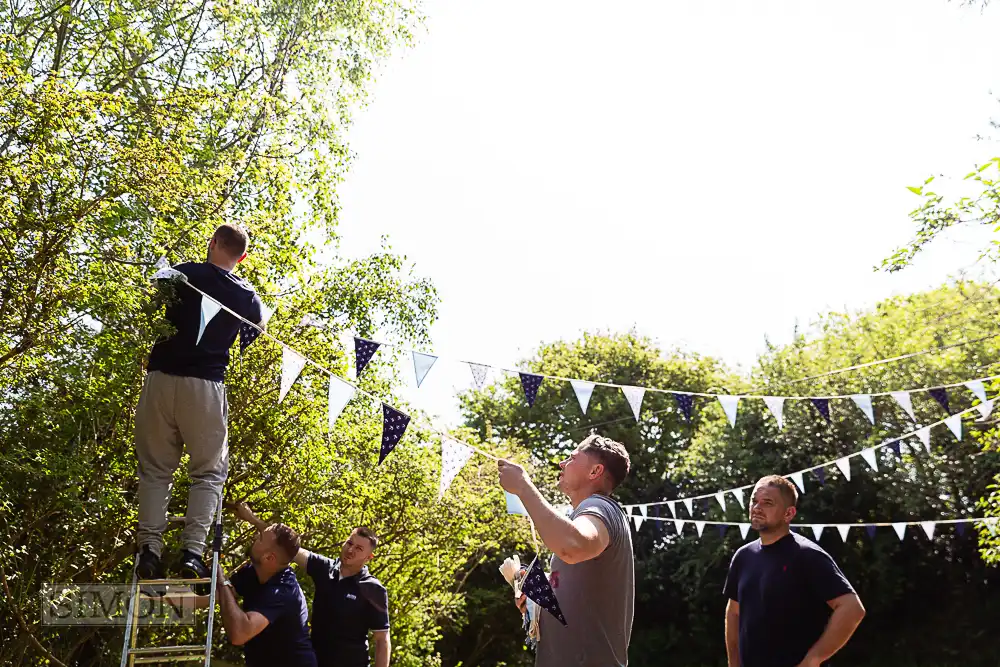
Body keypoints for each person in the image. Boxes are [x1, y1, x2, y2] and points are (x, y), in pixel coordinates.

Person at [134, 223, 265, 581]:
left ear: (212, 243)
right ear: (243, 257)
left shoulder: (181, 274)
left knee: (155, 470)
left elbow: (150, 303)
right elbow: (259, 326)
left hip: (160, 380)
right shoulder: (249, 298)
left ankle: (149, 550)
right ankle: (192, 551)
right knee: (208, 472)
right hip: (206, 387)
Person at [497, 433, 634, 667]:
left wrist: (522, 486)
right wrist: (538, 593)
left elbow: (573, 547)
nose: (562, 463)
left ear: (595, 472)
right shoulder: (585, 515)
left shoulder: (600, 506)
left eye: (571, 458)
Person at [723, 475, 866, 667]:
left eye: (767, 503)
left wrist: (813, 659)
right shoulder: (743, 556)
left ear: (789, 513)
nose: (757, 508)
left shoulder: (806, 555)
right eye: (754, 501)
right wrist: (734, 663)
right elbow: (733, 613)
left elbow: (852, 609)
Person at [232, 502, 392, 667]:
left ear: (369, 557)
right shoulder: (326, 569)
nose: (351, 550)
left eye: (359, 548)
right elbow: (287, 547)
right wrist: (252, 519)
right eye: (349, 543)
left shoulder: (373, 588)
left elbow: (382, 640)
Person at [215, 522, 317, 667]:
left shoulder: (283, 591)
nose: (255, 536)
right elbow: (219, 596)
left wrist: (221, 580)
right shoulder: (253, 572)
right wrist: (172, 597)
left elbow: (239, 634)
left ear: (269, 558)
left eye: (260, 538)